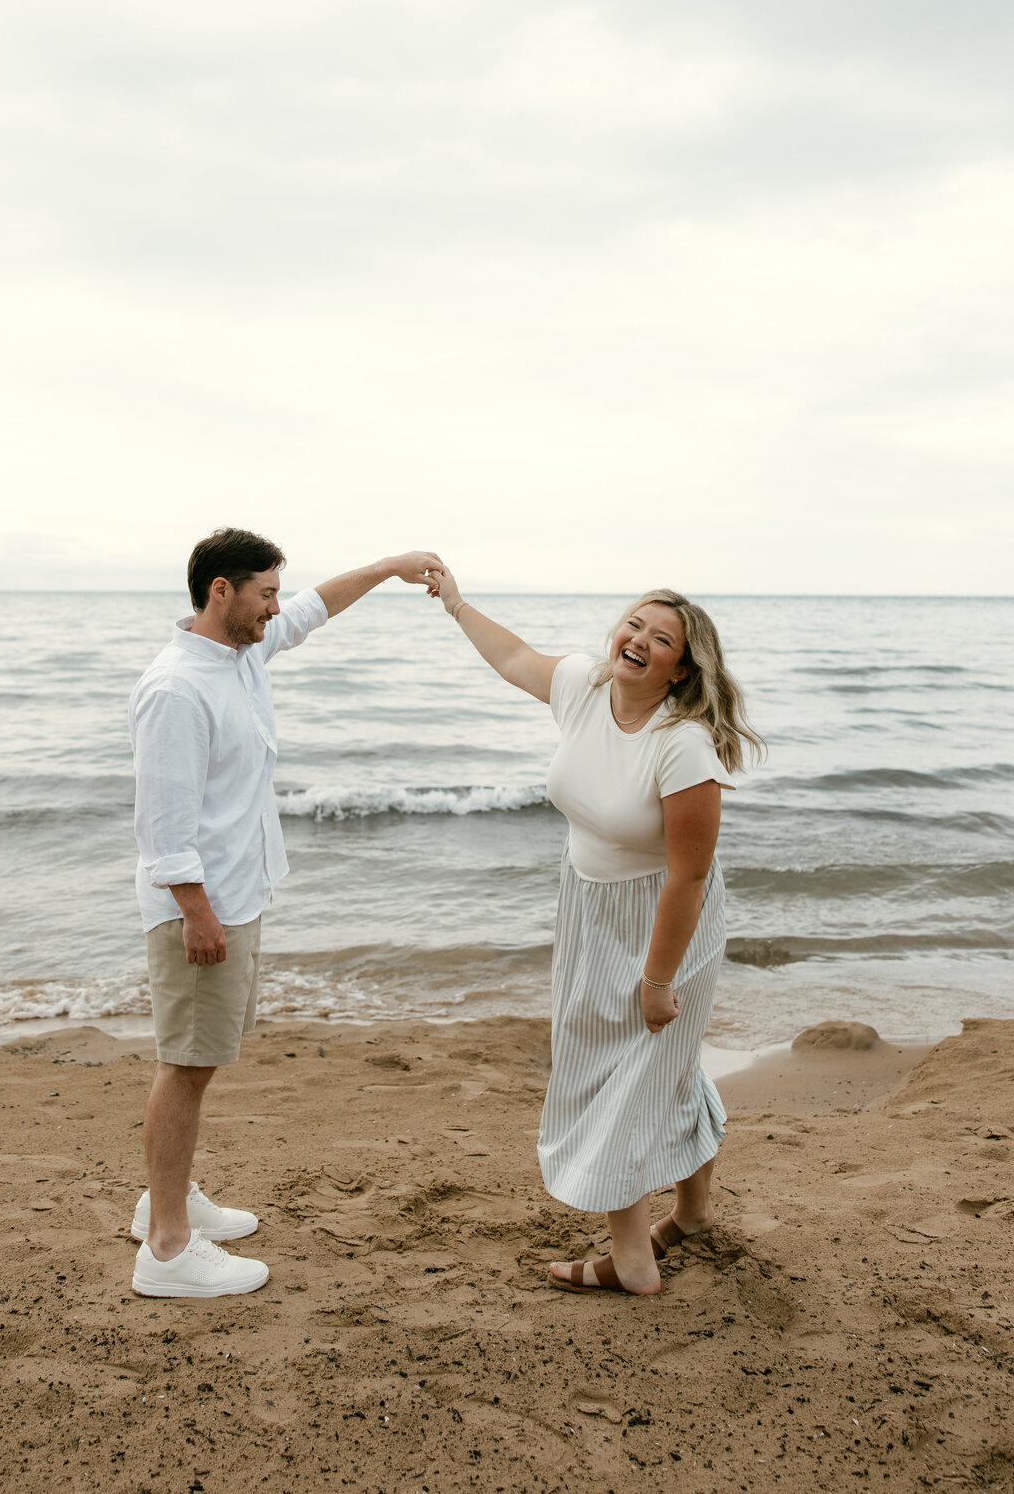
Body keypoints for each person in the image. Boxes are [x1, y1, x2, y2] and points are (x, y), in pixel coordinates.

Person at [427, 569, 763, 1295]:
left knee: (625, 1075)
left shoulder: (684, 747)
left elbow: (689, 878)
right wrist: (455, 603)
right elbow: (514, 658)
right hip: (588, 905)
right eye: (634, 625)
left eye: (661, 638)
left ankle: (633, 1258)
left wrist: (656, 981)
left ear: (681, 667)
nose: (638, 640)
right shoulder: (583, 686)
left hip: (665, 920)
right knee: (654, 1065)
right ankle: (695, 1213)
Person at [128, 527, 443, 1299]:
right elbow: (162, 826)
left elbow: (313, 610)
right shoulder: (177, 688)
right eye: (265, 593)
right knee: (187, 1062)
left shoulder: (241, 655)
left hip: (239, 891)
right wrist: (198, 915)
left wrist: (387, 567)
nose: (277, 606)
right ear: (220, 593)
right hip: (201, 908)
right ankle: (167, 1249)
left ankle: (166, 1203)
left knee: (202, 1062)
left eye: (277, 591)